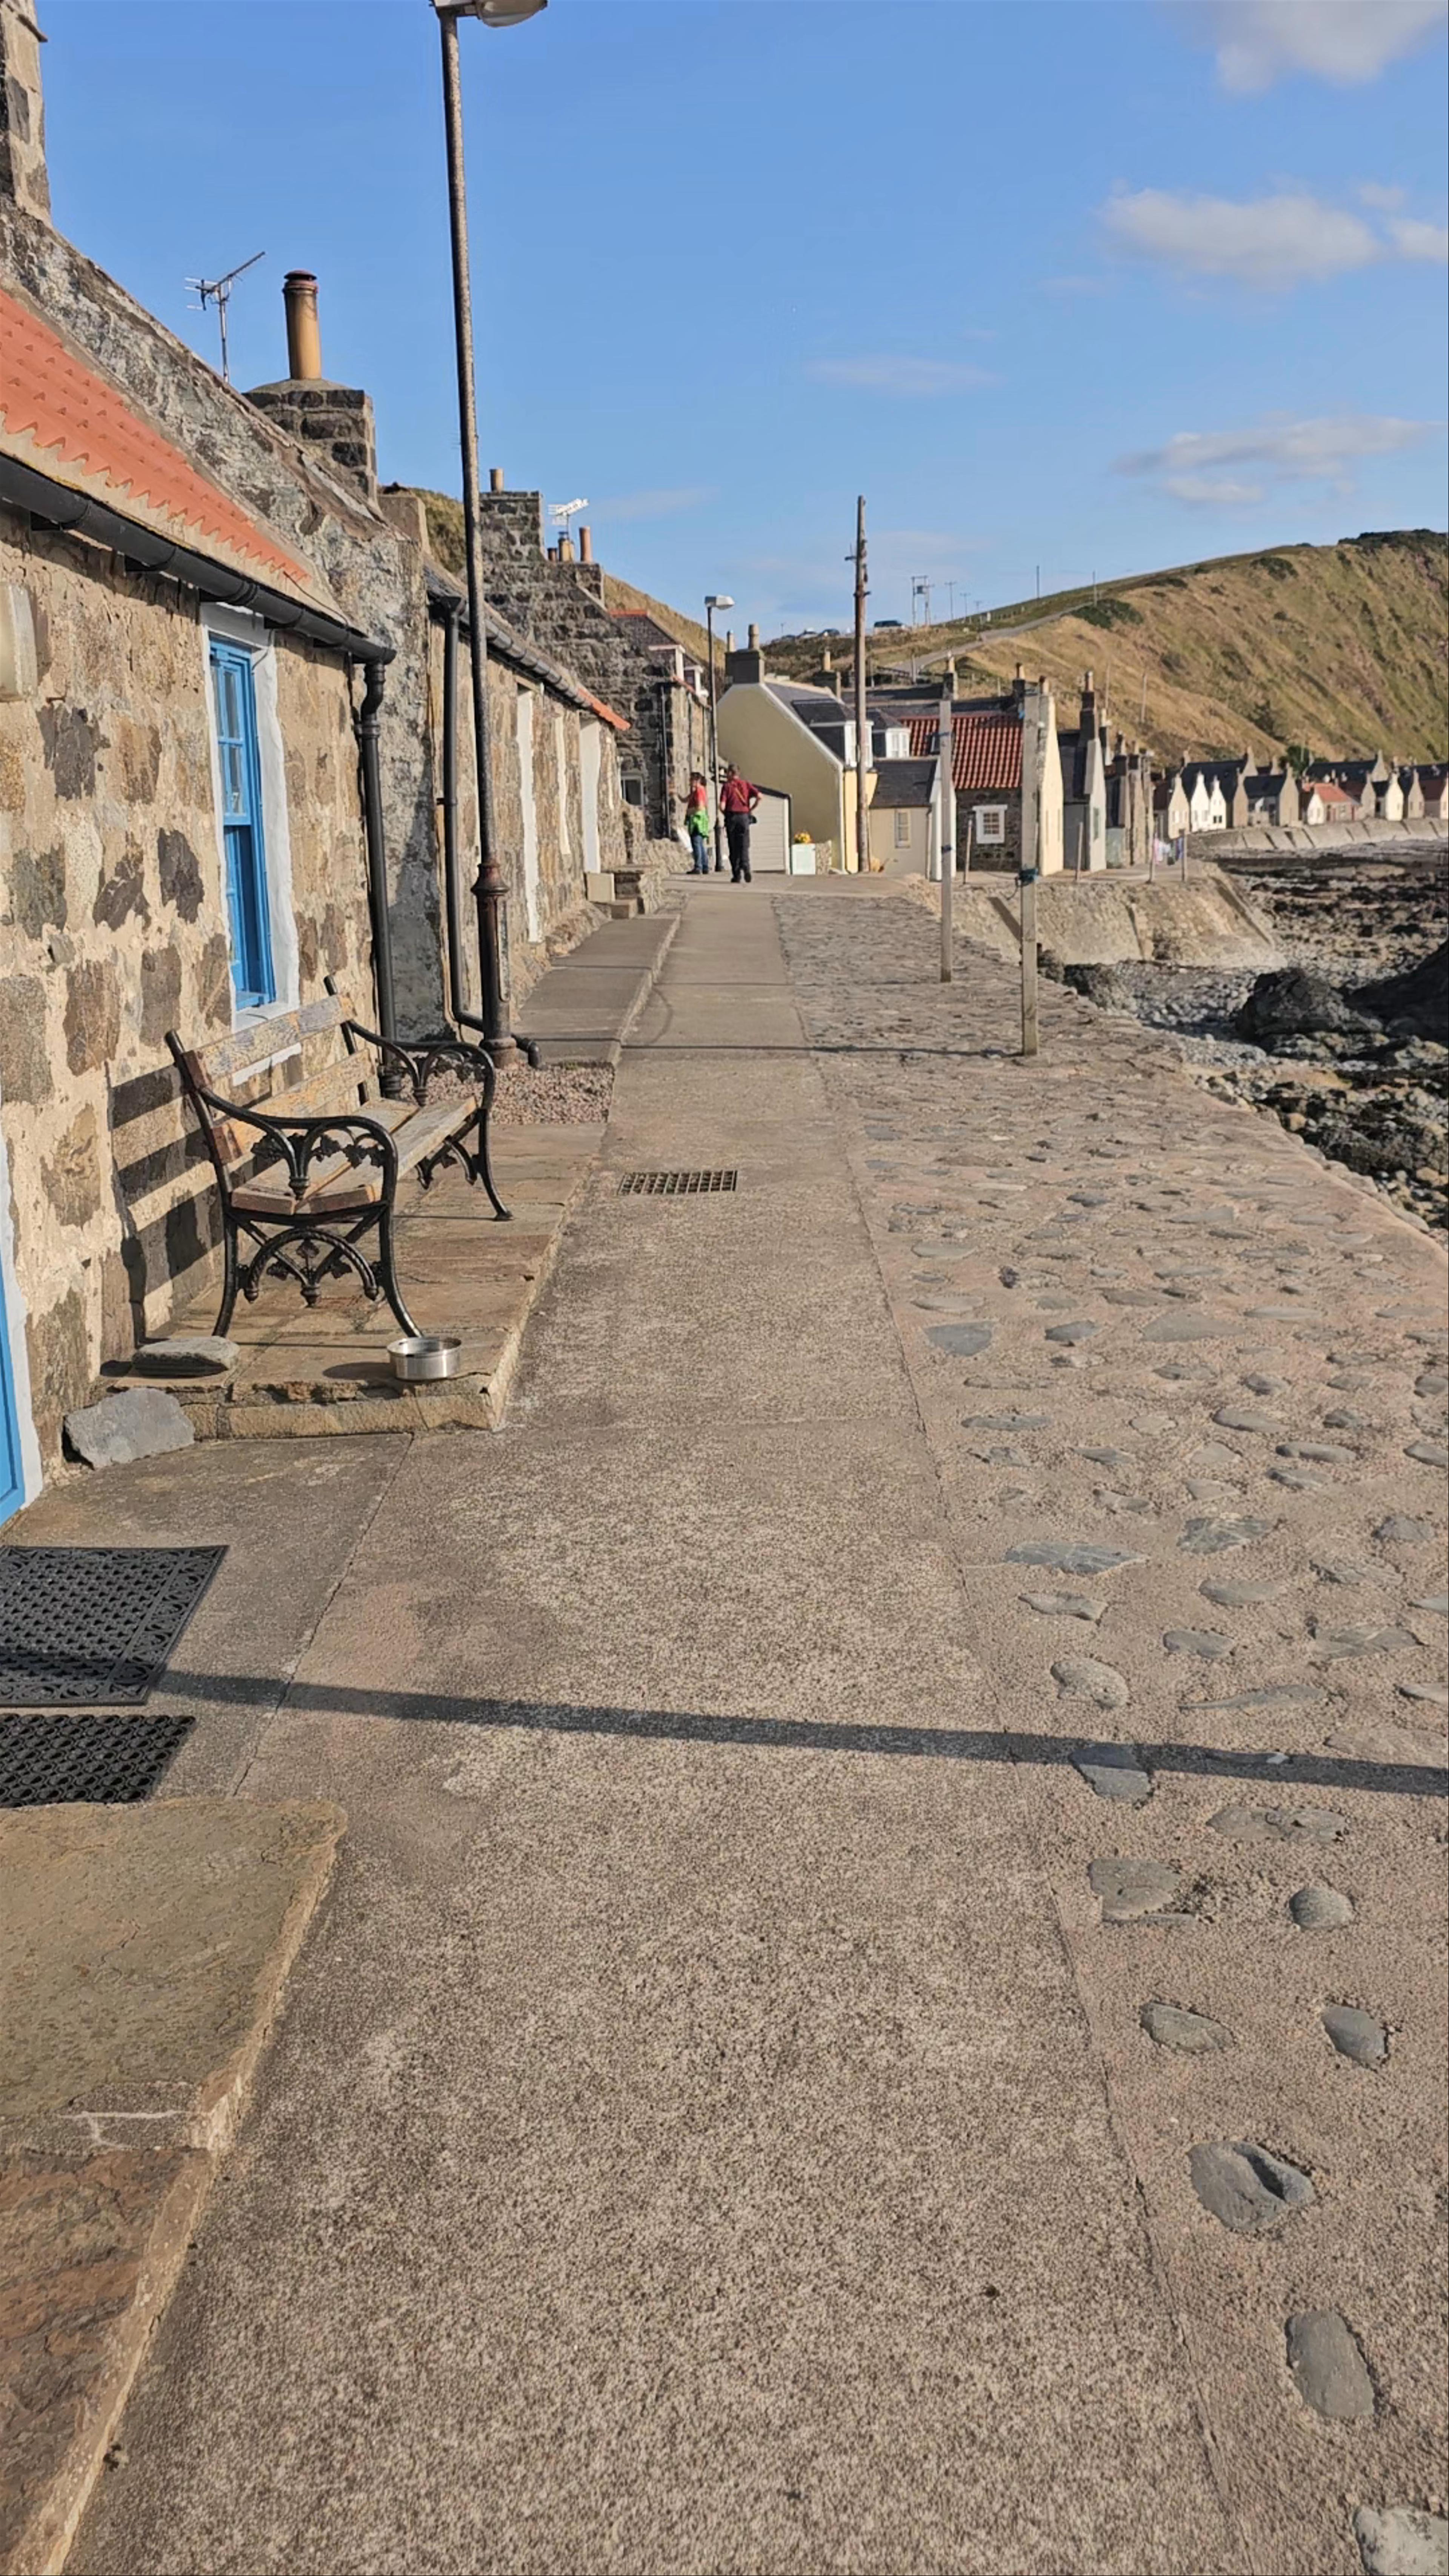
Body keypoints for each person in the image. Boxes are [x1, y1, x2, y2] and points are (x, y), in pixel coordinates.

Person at [720, 763, 760, 882]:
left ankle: (737, 875)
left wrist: (726, 814)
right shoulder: (746, 784)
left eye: (727, 773)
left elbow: (721, 806)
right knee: (744, 844)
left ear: (731, 774)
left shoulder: (727, 787)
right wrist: (751, 809)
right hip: (744, 817)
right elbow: (760, 796)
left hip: (732, 817)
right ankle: (746, 867)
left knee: (733, 847)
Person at [683, 772, 711, 875]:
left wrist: (691, 812)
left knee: (696, 844)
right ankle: (705, 866)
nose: (690, 782)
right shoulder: (699, 791)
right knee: (700, 844)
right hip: (700, 821)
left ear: (697, 781)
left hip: (697, 821)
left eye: (691, 780)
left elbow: (700, 806)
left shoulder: (699, 791)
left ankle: (698, 867)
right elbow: (685, 800)